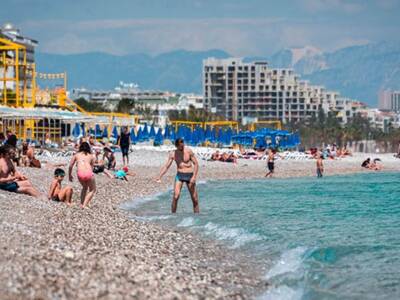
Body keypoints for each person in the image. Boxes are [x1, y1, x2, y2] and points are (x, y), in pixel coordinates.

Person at [156, 138, 199, 213]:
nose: (182, 147)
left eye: (183, 145)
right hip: (179, 175)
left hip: (190, 175)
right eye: (180, 146)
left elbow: (196, 164)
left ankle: (197, 217)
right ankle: (173, 216)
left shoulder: (188, 151)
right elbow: (167, 166)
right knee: (176, 196)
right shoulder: (173, 153)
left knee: (195, 198)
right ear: (176, 146)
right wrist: (159, 176)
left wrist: (194, 177)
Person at [69, 142, 96, 208]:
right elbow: (92, 167)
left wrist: (70, 175)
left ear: (80, 147)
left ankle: (82, 203)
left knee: (84, 187)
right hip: (88, 173)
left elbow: (70, 166)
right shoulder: (91, 156)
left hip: (80, 174)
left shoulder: (76, 155)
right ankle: (84, 205)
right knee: (92, 190)